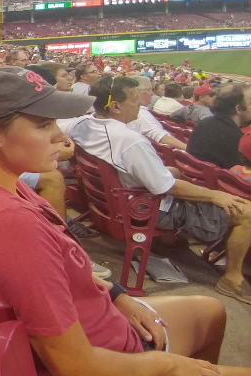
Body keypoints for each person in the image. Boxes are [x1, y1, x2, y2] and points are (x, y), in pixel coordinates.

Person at [0, 67, 248, 376]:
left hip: (98, 320)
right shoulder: (9, 223)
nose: (60, 136)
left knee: (212, 311)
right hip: (112, 351)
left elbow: (60, 271)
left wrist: (118, 294)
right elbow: (75, 364)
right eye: (43, 125)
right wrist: (170, 366)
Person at [60, 76, 251, 304]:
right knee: (246, 212)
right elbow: (166, 187)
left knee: (174, 171)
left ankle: (168, 241)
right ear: (115, 106)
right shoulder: (130, 141)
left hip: (112, 199)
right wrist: (217, 195)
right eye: (134, 99)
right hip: (143, 209)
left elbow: (57, 126)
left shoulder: (82, 123)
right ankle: (231, 278)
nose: (140, 104)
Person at [187, 84, 251, 170]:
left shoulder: (203, 124)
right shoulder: (237, 139)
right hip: (209, 182)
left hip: (197, 177)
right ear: (238, 109)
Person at [126, 75, 187, 151]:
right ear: (137, 92)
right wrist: (189, 150)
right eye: (149, 90)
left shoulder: (131, 110)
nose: (152, 94)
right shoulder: (139, 114)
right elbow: (162, 138)